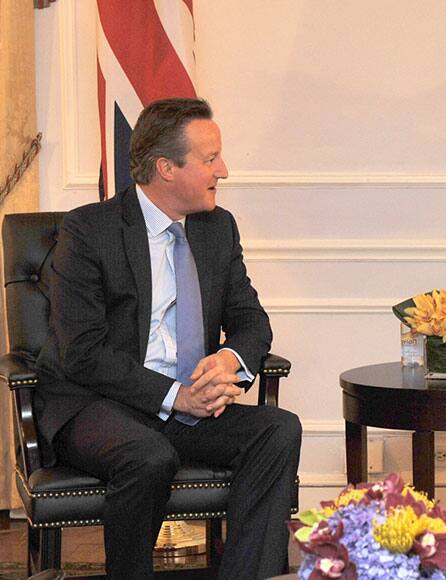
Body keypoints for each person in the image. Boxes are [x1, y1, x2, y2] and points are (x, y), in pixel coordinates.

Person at [35, 98, 302, 579]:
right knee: (149, 456)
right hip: (97, 404)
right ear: (166, 168)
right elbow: (83, 352)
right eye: (210, 159)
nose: (224, 170)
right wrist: (178, 397)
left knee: (277, 430)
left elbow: (251, 320)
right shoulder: (89, 231)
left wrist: (228, 360)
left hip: (187, 404)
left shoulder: (217, 228)